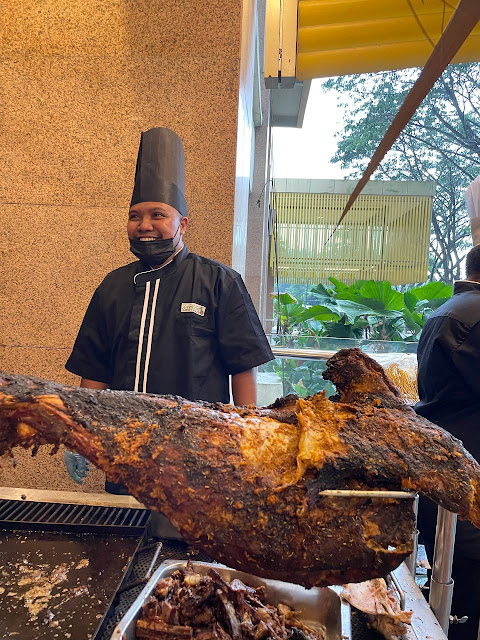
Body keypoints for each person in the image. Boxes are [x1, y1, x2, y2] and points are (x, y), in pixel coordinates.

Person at [64, 127, 274, 498]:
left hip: (197, 455)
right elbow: (93, 370)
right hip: (124, 451)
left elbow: (243, 367)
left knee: (189, 547)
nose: (144, 226)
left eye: (158, 214)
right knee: (127, 542)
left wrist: (247, 436)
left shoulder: (219, 281)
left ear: (182, 224)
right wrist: (79, 434)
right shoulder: (112, 286)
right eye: (135, 216)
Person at [415, 243, 480, 640]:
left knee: (448, 597)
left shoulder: (444, 312)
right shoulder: (475, 318)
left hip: (441, 478)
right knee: (460, 613)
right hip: (464, 488)